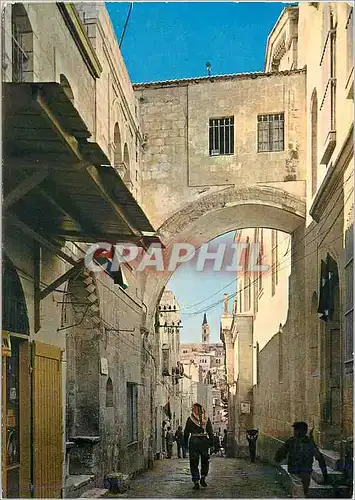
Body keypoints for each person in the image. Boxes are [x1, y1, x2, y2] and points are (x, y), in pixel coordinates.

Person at [274, 421, 328, 498]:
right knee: (299, 491)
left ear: (302, 431)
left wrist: (324, 473)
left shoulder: (304, 442)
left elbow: (319, 457)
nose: (295, 432)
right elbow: (281, 452)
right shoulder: (295, 441)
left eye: (296, 430)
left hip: (304, 470)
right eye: (295, 430)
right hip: (297, 471)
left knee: (303, 490)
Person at [184, 403, 214, 490]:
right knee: (205, 460)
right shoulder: (206, 419)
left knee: (194, 462)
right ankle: (203, 477)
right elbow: (210, 432)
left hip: (194, 441)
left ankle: (196, 481)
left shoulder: (190, 419)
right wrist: (211, 443)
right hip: (204, 442)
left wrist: (185, 444)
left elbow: (186, 432)